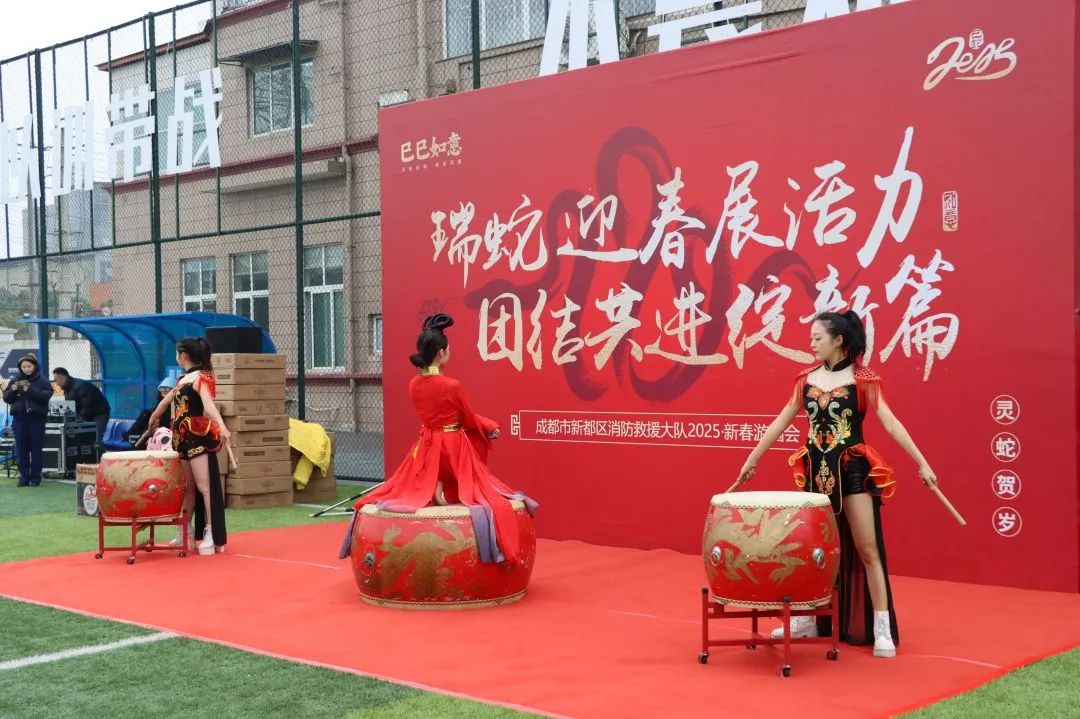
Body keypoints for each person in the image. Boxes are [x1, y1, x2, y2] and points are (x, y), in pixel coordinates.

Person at [733, 311, 938, 659]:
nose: (812, 343)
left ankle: (881, 627)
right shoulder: (806, 379)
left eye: (818, 338)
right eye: (811, 338)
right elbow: (780, 422)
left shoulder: (863, 380)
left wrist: (923, 463)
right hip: (816, 471)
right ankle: (806, 620)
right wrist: (751, 460)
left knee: (867, 549)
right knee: (812, 550)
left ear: (838, 340)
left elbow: (890, 422)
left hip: (852, 470)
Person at [341, 314, 537, 565]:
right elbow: (469, 419)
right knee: (486, 494)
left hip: (427, 446)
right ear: (441, 352)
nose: (449, 352)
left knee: (409, 485)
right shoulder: (451, 386)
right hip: (453, 446)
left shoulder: (414, 384)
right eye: (448, 349)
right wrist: (489, 425)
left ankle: (435, 490)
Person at [148, 338, 230, 555]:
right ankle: (186, 532)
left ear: (182, 356)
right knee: (187, 488)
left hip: (197, 437)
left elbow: (208, 405)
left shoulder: (201, 377)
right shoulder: (183, 379)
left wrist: (222, 426)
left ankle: (210, 534)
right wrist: (154, 417)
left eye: (177, 354)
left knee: (204, 487)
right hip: (182, 438)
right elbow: (166, 401)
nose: (176, 357)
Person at [2, 354, 54, 487]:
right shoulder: (15, 379)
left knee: (36, 448)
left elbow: (46, 396)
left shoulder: (42, 381)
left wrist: (29, 389)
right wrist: (12, 390)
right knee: (21, 449)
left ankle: (36, 477)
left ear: (35, 366)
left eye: (29, 366)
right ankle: (24, 477)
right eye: (24, 367)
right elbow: (7, 398)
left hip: (37, 419)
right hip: (19, 419)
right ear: (20, 368)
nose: (26, 369)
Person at [52, 368, 111, 450]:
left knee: (95, 438)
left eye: (56, 380)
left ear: (63, 377)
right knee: (85, 438)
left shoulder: (81, 386)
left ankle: (100, 456)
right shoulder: (67, 388)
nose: (56, 383)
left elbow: (87, 408)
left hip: (100, 414)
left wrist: (78, 422)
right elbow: (72, 407)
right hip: (86, 414)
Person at [129, 376, 176, 447]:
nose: (164, 389)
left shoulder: (176, 409)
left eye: (167, 387)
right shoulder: (151, 412)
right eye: (162, 387)